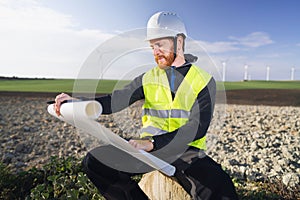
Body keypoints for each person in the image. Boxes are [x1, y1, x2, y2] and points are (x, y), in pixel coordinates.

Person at [54, 11, 238, 200]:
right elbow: (115, 100)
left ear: (179, 42)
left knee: (221, 188)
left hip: (185, 151)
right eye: (152, 46)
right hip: (148, 149)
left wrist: (153, 143)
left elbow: (197, 127)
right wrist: (79, 101)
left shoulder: (204, 81)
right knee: (95, 162)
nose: (155, 51)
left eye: (160, 44)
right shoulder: (148, 78)